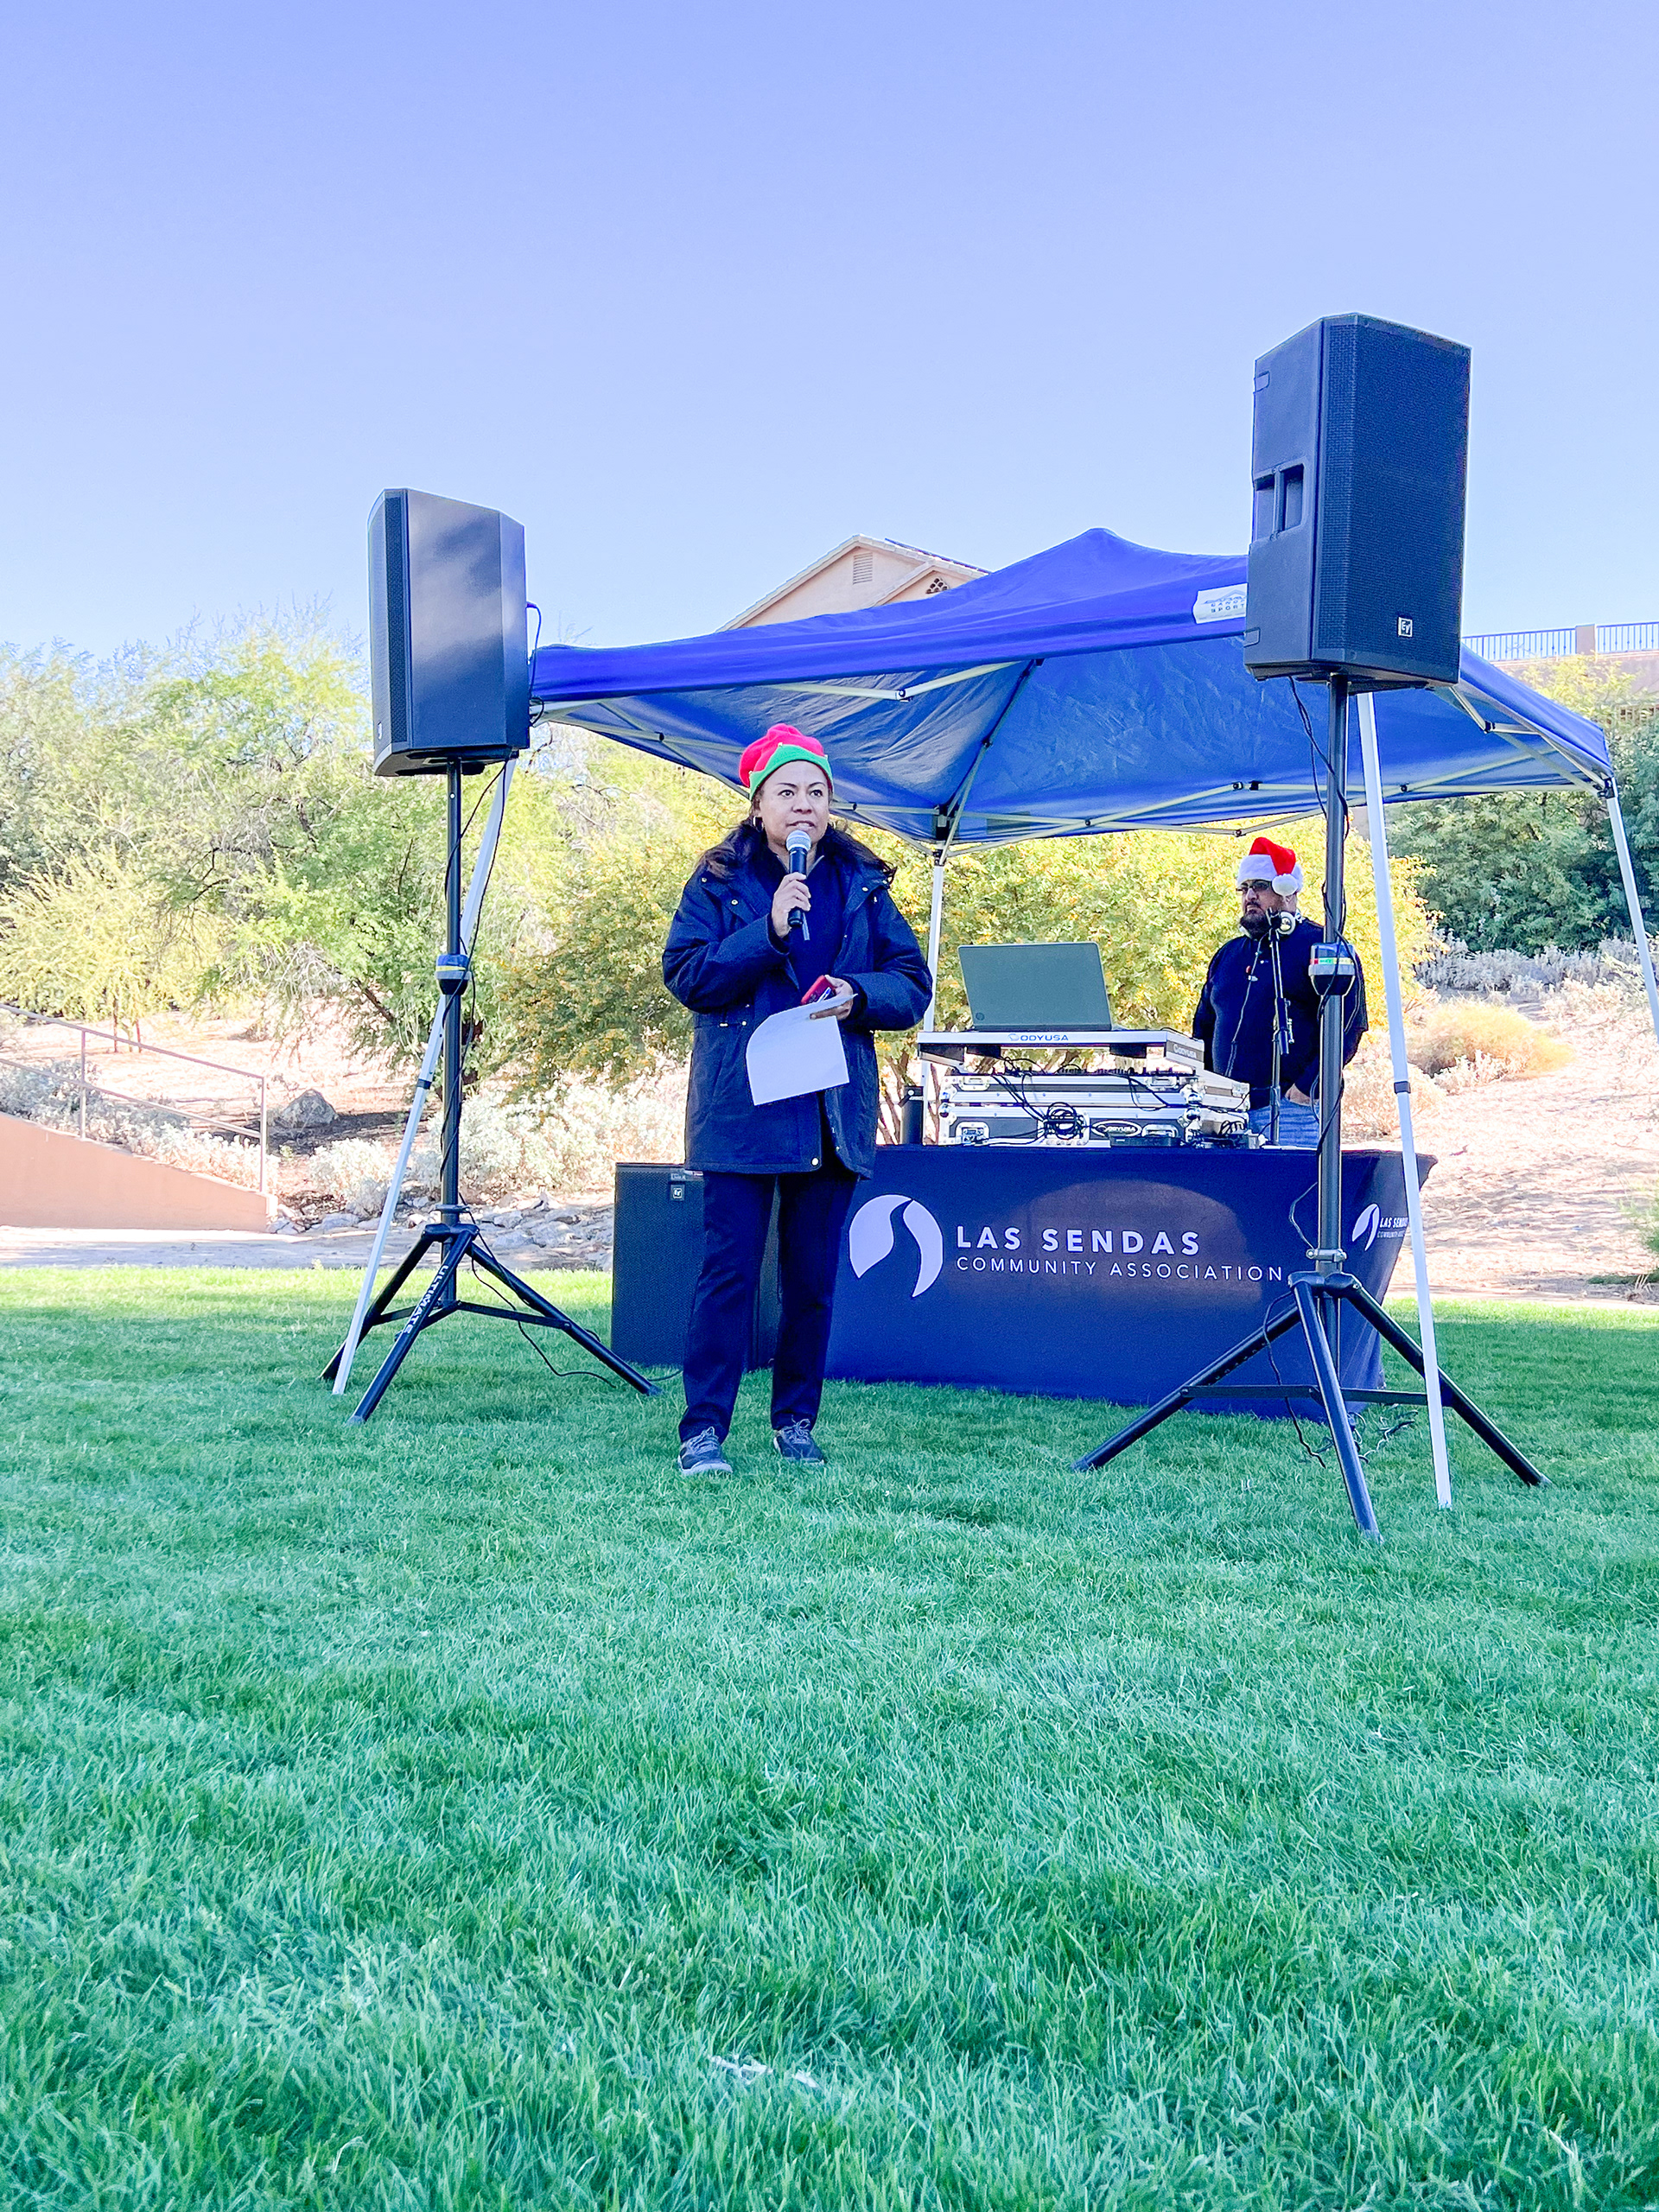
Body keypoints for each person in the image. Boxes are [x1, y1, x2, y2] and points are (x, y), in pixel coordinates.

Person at [663, 724, 931, 1475]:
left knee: (810, 1283)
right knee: (729, 1278)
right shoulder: (718, 881)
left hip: (828, 1112)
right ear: (757, 805)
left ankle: (795, 1422)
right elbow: (688, 976)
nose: (804, 805)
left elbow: (912, 985)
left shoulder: (863, 883)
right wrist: (768, 930)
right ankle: (703, 1430)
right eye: (787, 792)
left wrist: (858, 992)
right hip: (744, 1111)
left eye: (817, 792)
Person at [1192, 836, 1367, 1148]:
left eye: (1260, 886)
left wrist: (1308, 1086)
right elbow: (1203, 1028)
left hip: (1294, 1111)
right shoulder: (1228, 955)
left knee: (1294, 1181)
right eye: (1244, 888)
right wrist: (1206, 1087)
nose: (1250, 896)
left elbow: (1349, 1024)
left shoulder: (1324, 946)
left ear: (1287, 889)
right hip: (1223, 1112)